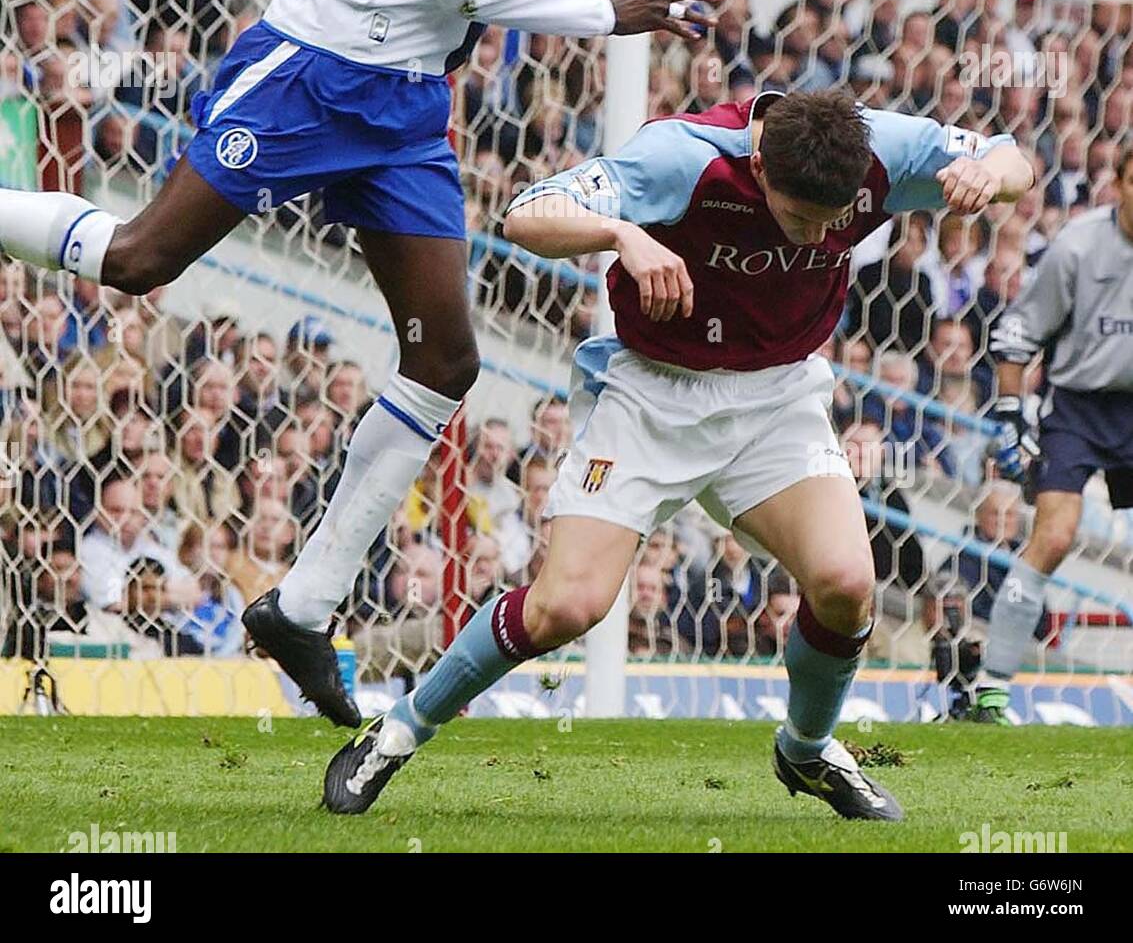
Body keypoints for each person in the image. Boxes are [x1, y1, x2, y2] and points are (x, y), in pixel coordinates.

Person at [0, 0, 711, 728]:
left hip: (404, 108)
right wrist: (604, 9)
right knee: (138, 262)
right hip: (313, 76)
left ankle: (301, 603)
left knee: (444, 362)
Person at [321, 87, 1033, 819]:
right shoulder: (682, 156)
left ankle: (807, 749)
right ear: (758, 166)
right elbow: (525, 214)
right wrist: (619, 235)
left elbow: (1014, 162)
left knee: (848, 585)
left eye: (829, 225)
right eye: (796, 219)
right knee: (566, 607)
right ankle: (399, 730)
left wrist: (988, 174)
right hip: (651, 397)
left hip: (774, 399)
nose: (810, 239)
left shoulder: (878, 148)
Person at [968, 135, 1133, 723]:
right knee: (1054, 537)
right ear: (1118, 185)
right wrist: (1011, 413)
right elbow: (1018, 332)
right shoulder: (1078, 247)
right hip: (1081, 408)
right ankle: (990, 688)